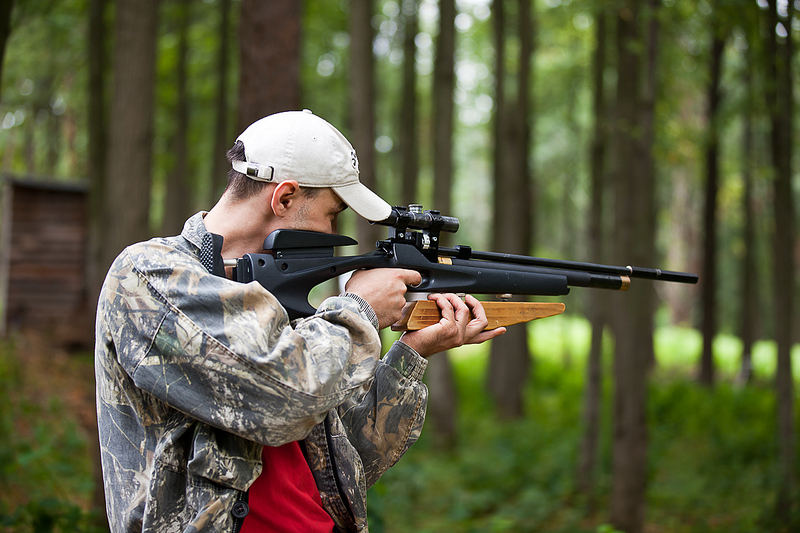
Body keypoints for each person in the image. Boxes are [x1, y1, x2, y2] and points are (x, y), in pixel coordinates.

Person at [95, 109, 505, 533]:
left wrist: (412, 352)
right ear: (284, 198)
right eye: (331, 214)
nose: (331, 234)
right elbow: (287, 401)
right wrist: (359, 309)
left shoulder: (281, 305)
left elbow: (347, 464)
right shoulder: (149, 276)